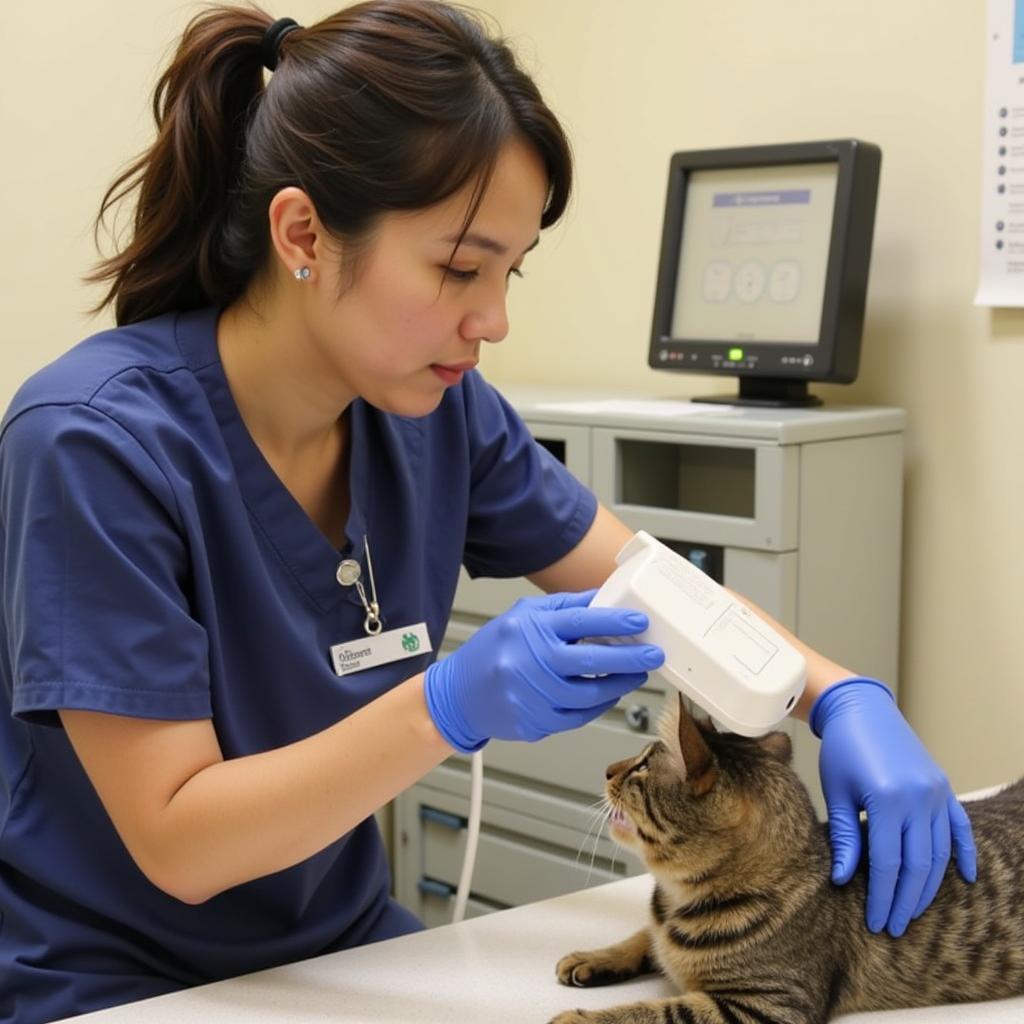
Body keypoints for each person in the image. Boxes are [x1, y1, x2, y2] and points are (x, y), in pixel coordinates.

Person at [0, 3, 974, 1022]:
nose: (493, 320)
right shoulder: (93, 443)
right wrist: (444, 705)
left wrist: (837, 694)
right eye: (460, 267)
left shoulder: (439, 413)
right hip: (113, 985)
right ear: (302, 233)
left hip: (335, 949)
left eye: (510, 272)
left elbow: (645, 584)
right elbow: (179, 840)